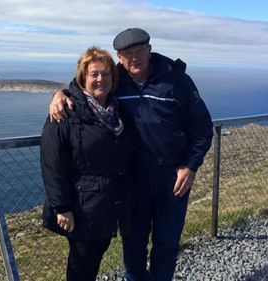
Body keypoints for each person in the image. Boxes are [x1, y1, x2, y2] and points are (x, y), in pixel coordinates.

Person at [49, 28, 213, 280]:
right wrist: (60, 95)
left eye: (139, 51)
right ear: (120, 57)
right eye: (128, 54)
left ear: (149, 49)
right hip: (131, 182)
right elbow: (87, 89)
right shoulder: (116, 80)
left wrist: (190, 166)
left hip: (172, 179)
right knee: (133, 246)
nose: (135, 58)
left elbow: (202, 127)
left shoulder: (177, 81)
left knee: (166, 245)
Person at [40, 46, 134, 281]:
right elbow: (52, 164)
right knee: (81, 266)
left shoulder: (114, 110)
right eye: (94, 74)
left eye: (106, 73)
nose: (100, 79)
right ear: (83, 78)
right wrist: (62, 207)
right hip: (81, 207)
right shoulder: (66, 112)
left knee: (93, 260)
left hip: (107, 205)